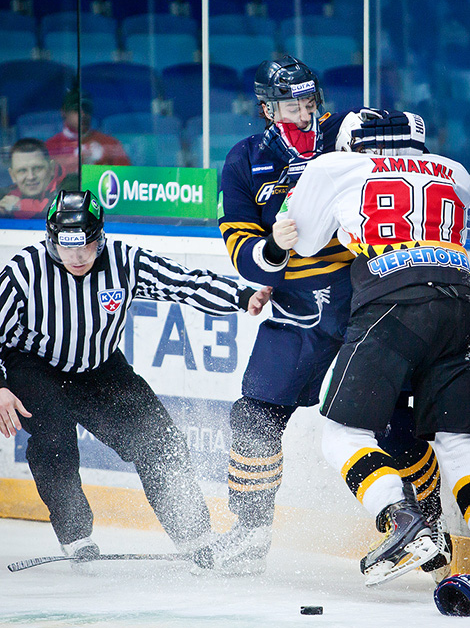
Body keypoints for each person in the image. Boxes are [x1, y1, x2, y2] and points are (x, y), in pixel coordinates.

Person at [215, 55, 449, 577]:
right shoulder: (244, 160)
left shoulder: (346, 133)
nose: (304, 111)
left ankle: (430, 528)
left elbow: (407, 156)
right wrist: (272, 252)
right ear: (266, 108)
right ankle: (250, 532)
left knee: (396, 424)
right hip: (298, 313)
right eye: (291, 104)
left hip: (368, 301)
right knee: (254, 416)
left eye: (309, 100)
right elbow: (242, 251)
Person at [0, 189, 271, 567]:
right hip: (35, 367)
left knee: (159, 440)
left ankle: (195, 535)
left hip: (101, 368)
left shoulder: (124, 261)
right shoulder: (24, 270)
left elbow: (183, 282)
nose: (76, 258)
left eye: (85, 246)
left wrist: (242, 296)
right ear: (52, 239)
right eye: (66, 247)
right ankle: (75, 535)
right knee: (54, 439)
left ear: (100, 237)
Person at [284, 109, 470, 585]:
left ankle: (403, 521)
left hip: (393, 303)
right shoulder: (455, 170)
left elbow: (304, 242)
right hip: (461, 305)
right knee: (458, 441)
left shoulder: (335, 165)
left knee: (343, 435)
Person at [46, 88, 131, 181]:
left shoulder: (109, 143)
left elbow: (126, 180)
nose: (83, 114)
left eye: (86, 109)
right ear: (63, 112)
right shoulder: (50, 146)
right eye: (76, 109)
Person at [0, 138, 74, 219]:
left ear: (52, 168)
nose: (31, 177)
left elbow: (56, 210)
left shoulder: (69, 188)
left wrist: (19, 206)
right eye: (22, 171)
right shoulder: (4, 195)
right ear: (12, 175)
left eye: (37, 168)